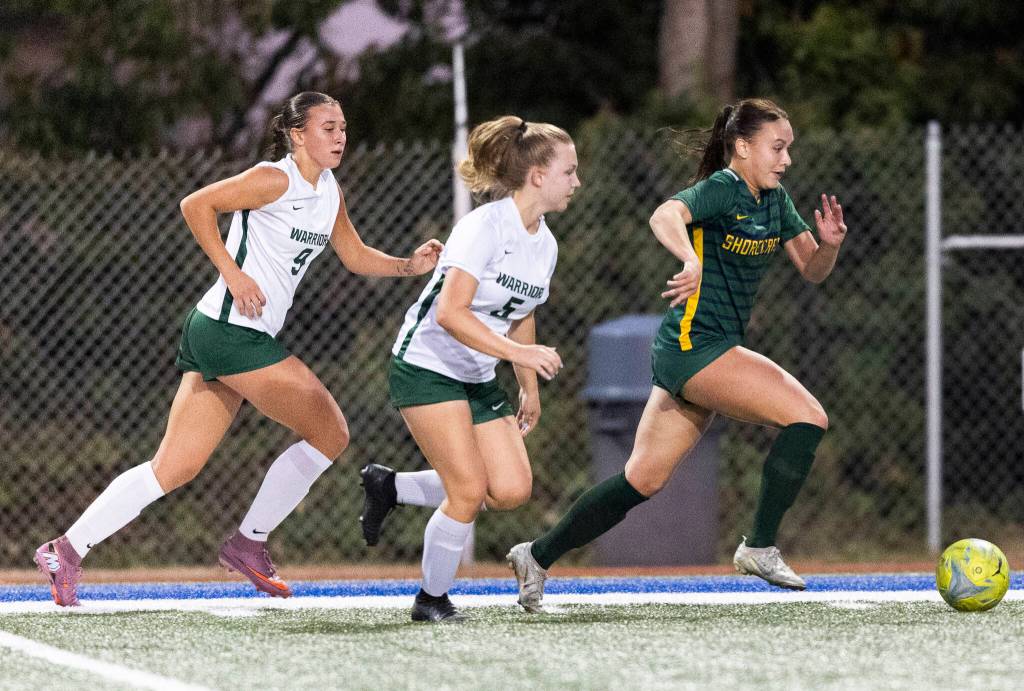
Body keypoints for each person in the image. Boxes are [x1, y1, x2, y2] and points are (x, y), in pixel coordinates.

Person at [33, 91, 443, 606]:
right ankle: (249, 544)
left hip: (224, 332)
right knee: (330, 430)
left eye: (342, 128)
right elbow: (195, 205)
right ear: (297, 135)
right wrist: (233, 272)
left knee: (174, 467)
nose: (340, 137)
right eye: (328, 127)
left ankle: (65, 549)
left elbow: (354, 255)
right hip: (228, 329)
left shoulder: (329, 189)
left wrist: (409, 265)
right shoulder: (275, 178)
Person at [506, 98, 848, 612]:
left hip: (702, 349)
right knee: (807, 417)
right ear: (743, 147)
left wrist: (830, 245)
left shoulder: (775, 201)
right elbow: (665, 214)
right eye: (777, 148)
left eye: (788, 149)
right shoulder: (722, 189)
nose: (786, 160)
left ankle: (536, 554)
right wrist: (689, 255)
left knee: (640, 479)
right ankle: (758, 545)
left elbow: (813, 271)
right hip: (696, 346)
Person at [358, 115, 580, 622]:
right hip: (426, 366)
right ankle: (430, 600)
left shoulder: (545, 243)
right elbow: (449, 313)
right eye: (569, 171)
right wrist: (520, 357)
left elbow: (521, 313)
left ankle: (389, 487)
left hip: (478, 375)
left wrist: (529, 386)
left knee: (510, 490)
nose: (577, 182)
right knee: (465, 490)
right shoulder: (484, 227)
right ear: (538, 176)